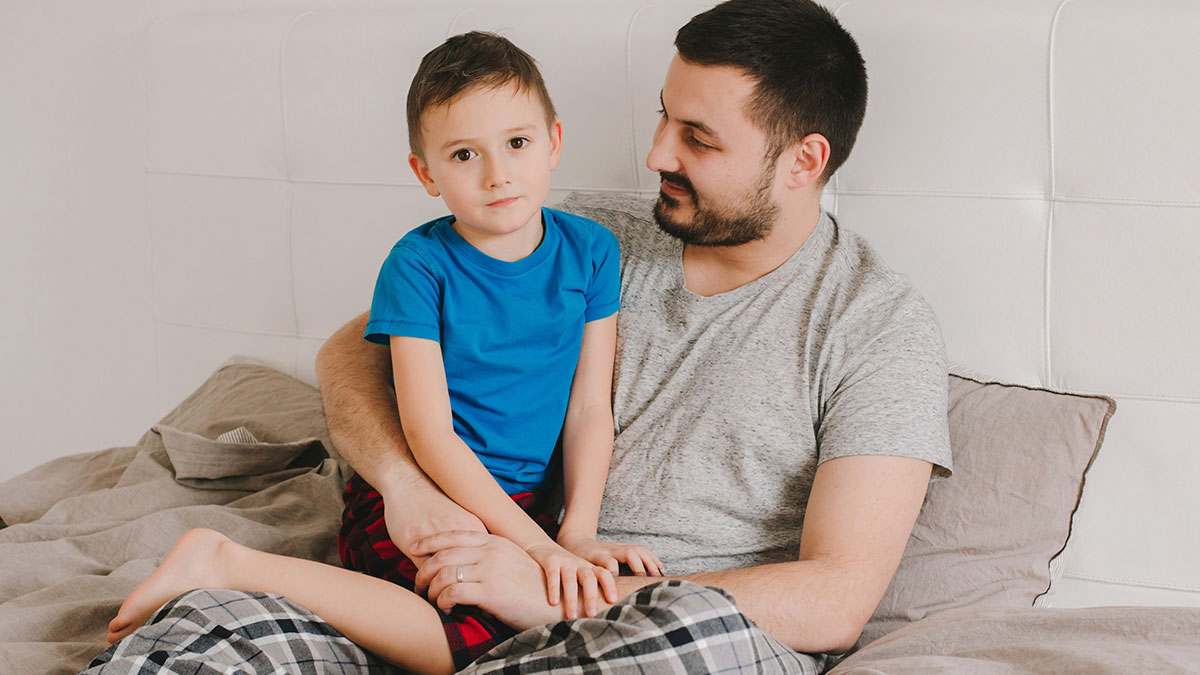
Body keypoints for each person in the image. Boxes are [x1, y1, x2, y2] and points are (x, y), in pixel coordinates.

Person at [318, 0, 952, 665]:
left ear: (804, 160)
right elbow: (348, 356)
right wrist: (405, 485)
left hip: (687, 634)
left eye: (698, 138)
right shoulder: (586, 238)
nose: (655, 155)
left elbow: (836, 601)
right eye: (663, 116)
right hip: (505, 568)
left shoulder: (877, 327)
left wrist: (561, 595)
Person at [103, 31, 661, 675]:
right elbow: (430, 434)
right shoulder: (418, 266)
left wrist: (575, 534)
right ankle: (227, 563)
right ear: (425, 173)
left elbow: (589, 407)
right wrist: (537, 549)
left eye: (517, 142)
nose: (498, 174)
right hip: (429, 491)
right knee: (472, 643)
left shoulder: (591, 251)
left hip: (529, 506)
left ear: (554, 142)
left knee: (549, 622)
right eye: (464, 154)